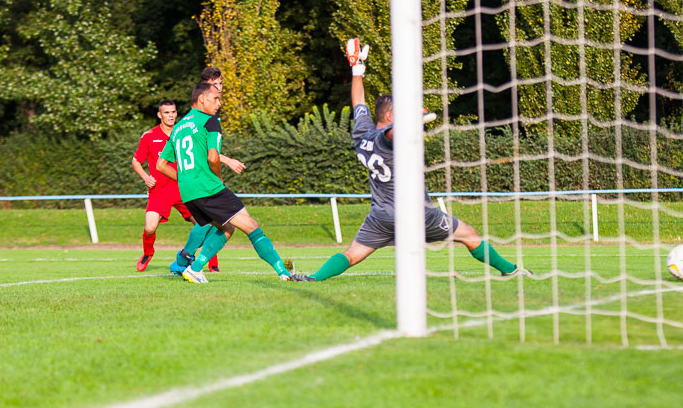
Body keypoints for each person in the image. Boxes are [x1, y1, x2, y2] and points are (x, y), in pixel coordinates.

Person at [305, 39, 531, 282]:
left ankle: (313, 278)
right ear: (390, 115)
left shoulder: (362, 133)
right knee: (469, 235)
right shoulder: (387, 137)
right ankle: (510, 270)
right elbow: (392, 134)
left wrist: (356, 70)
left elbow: (358, 103)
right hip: (415, 215)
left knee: (351, 254)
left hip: (381, 216)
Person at [156, 82, 305, 283]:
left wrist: (185, 178)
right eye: (215, 99)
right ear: (202, 99)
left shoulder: (178, 128)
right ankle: (283, 272)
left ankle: (195, 268)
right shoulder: (209, 121)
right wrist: (218, 178)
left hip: (189, 192)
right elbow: (213, 157)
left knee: (227, 228)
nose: (219, 103)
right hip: (208, 188)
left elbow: (161, 165)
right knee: (252, 227)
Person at [168, 66, 245, 275]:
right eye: (215, 84)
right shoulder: (207, 116)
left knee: (212, 221)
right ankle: (186, 260)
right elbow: (208, 152)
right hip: (200, 177)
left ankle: (193, 262)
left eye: (220, 84)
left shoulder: (205, 113)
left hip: (193, 178)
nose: (219, 88)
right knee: (218, 221)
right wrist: (226, 162)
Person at [131, 100, 220, 272]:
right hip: (159, 191)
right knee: (150, 227)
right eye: (166, 112)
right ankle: (147, 253)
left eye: (173, 112)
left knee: (205, 225)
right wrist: (145, 177)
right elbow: (136, 161)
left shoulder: (184, 132)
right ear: (159, 115)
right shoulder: (149, 136)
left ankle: (212, 263)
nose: (170, 116)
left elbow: (206, 153)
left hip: (185, 190)